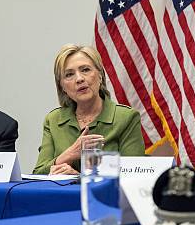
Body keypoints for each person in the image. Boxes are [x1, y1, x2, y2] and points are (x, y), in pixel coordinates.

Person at [32, 44, 145, 175]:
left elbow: (133, 174)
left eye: (85, 70)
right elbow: (38, 173)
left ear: (100, 75)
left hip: (105, 195)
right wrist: (68, 155)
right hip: (60, 195)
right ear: (62, 86)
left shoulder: (126, 118)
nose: (79, 79)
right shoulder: (53, 120)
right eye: (69, 74)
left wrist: (78, 178)